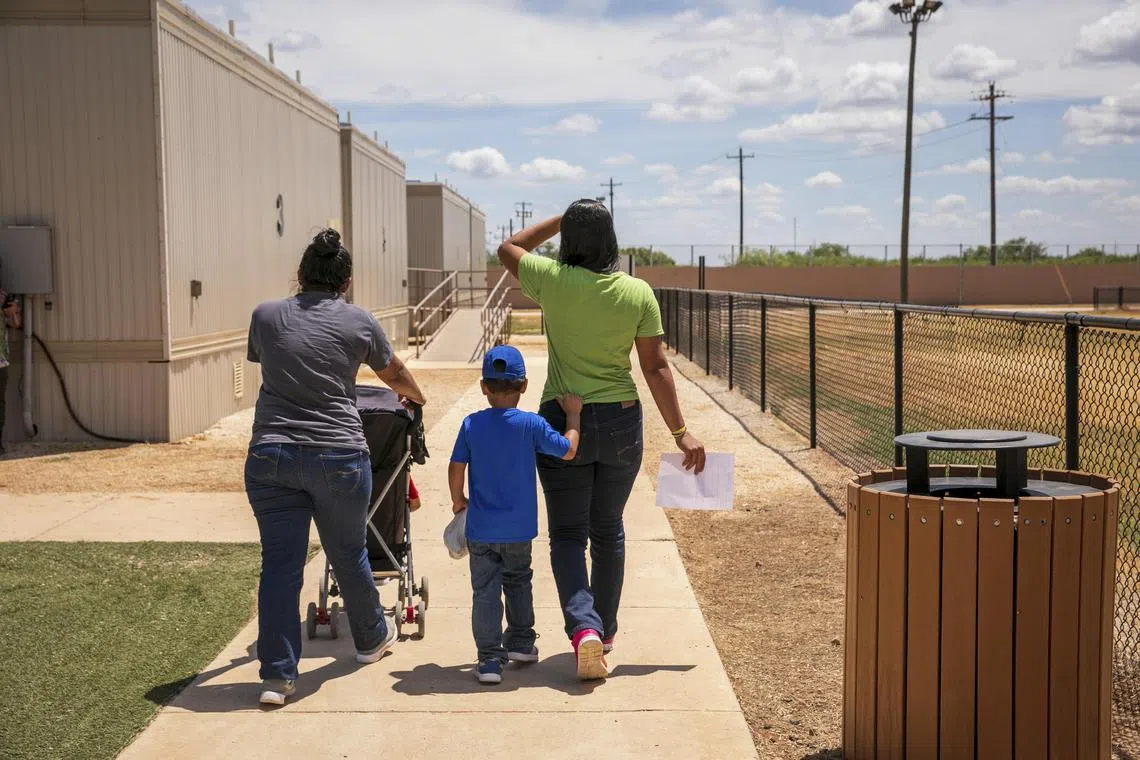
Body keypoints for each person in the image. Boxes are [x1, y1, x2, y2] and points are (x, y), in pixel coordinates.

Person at [497, 200, 706, 681]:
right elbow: (654, 367)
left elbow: (507, 248)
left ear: (568, 240)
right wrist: (680, 431)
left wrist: (558, 219)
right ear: (612, 240)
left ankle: (583, 630)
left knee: (568, 534)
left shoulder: (551, 279)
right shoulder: (637, 293)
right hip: (621, 421)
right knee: (607, 529)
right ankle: (605, 633)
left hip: (560, 419)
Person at [245, 229, 426, 706]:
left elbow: (273, 357)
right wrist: (417, 396)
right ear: (346, 281)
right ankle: (370, 640)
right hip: (338, 455)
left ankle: (277, 677)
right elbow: (395, 375)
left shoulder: (264, 316)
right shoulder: (359, 322)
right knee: (349, 553)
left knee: (280, 566)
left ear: (301, 275)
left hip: (272, 453)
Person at [448, 345, 581, 685]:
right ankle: (522, 642)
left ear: (483, 386)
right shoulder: (531, 424)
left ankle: (490, 660)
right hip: (519, 529)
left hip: (481, 528)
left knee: (484, 591)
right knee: (519, 580)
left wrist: (458, 500)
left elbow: (456, 466)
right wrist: (574, 417)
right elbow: (567, 451)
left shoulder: (471, 424)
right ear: (523, 386)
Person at [0, 286, 22, 456]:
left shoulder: (4, 296)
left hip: (1, 362)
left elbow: (16, 324)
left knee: (1, 403)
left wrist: (13, 311)